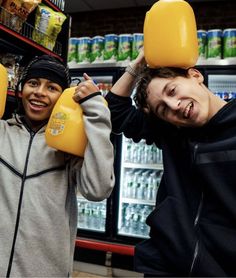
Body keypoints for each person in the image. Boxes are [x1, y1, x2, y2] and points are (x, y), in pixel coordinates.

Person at [105, 49, 236, 276]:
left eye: (172, 90)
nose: (174, 105)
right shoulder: (174, 132)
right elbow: (115, 110)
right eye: (162, 109)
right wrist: (141, 61)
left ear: (195, 76)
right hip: (166, 266)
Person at [0, 54, 115, 277]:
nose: (39, 92)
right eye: (33, 83)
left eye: (51, 87)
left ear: (63, 97)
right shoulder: (2, 133)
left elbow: (98, 189)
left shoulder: (68, 147)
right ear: (21, 89)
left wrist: (96, 110)